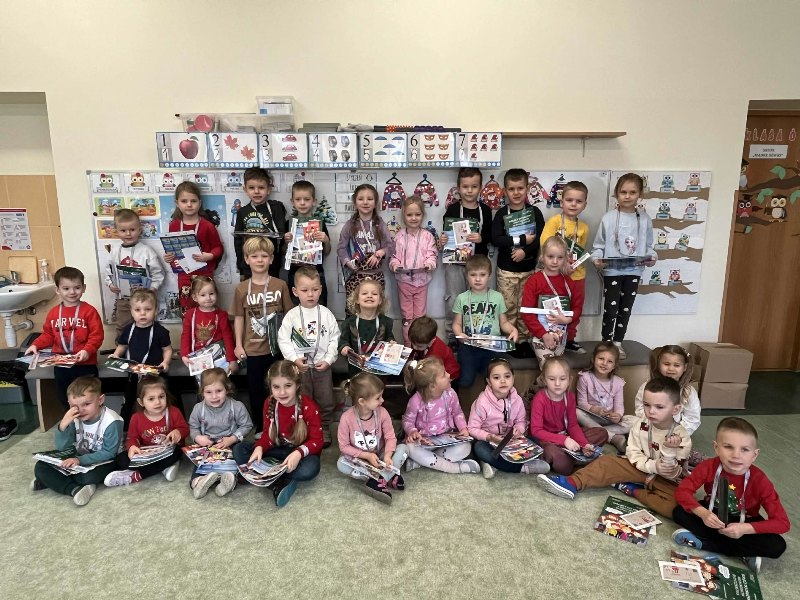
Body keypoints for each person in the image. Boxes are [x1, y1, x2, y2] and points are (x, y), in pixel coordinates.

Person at [536, 376, 691, 518]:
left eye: (659, 407)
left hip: (665, 479)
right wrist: (652, 466)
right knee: (607, 462)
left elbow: (675, 472)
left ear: (675, 409)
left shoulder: (682, 437)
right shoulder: (640, 424)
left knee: (678, 507)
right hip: (641, 467)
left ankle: (634, 490)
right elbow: (633, 452)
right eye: (646, 405)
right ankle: (572, 483)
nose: (651, 411)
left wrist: (667, 455)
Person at [672, 417, 790, 574]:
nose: (736, 455)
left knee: (777, 545)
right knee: (678, 512)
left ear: (754, 455)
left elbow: (782, 523)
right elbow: (682, 491)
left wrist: (746, 528)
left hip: (744, 521)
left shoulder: (760, 480)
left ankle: (705, 544)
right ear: (716, 448)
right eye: (728, 447)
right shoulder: (708, 466)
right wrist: (704, 514)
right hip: (713, 514)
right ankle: (743, 552)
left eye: (745, 450)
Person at [235, 361, 323, 507]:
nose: (282, 393)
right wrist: (260, 447)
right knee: (239, 449)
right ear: (270, 387)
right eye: (276, 387)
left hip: (300, 454)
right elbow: (267, 436)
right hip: (278, 449)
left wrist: (298, 453)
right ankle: (280, 479)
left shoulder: (309, 406)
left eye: (288, 386)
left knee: (310, 469)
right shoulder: (269, 403)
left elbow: (317, 441)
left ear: (297, 385)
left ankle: (264, 475)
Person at [231, 236, 293, 434]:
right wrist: (238, 345)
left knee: (280, 388)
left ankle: (282, 425)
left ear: (271, 259)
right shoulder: (241, 288)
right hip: (253, 350)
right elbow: (239, 318)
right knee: (257, 391)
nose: (259, 260)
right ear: (246, 259)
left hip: (277, 349)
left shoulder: (280, 285)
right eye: (254, 256)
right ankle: (261, 426)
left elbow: (289, 316)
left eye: (264, 256)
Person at [591, 172, 656, 360]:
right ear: (616, 193)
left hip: (634, 270)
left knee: (625, 309)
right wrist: (597, 259)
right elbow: (598, 245)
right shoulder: (609, 218)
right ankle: (606, 343)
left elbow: (649, 246)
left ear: (640, 194)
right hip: (612, 270)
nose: (627, 196)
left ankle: (618, 343)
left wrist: (652, 257)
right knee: (610, 309)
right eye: (623, 192)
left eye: (632, 192)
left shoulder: (645, 219)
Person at [30, 376, 122, 506]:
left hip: (105, 461)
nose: (81, 410)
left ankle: (60, 483)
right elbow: (63, 448)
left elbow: (109, 453)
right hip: (78, 458)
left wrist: (80, 460)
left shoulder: (112, 421)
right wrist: (63, 426)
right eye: (74, 405)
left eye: (86, 404)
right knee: (41, 466)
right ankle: (75, 488)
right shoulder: (74, 418)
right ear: (69, 404)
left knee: (87, 477)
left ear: (100, 400)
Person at [277, 266, 341, 447]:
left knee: (325, 399)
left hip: (322, 367)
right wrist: (294, 360)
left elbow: (334, 338)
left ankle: (324, 427)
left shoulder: (326, 314)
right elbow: (283, 339)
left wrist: (328, 359)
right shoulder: (291, 316)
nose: (310, 294)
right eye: (305, 290)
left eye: (314, 289)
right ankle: (304, 427)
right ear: (295, 291)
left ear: (320, 290)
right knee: (302, 398)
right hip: (300, 368)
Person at [24, 267, 104, 409]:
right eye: (66, 288)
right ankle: (72, 418)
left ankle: (90, 420)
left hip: (85, 364)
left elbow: (96, 335)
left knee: (88, 397)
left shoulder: (89, 311)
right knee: (64, 396)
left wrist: (87, 350)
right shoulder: (53, 313)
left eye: (77, 287)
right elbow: (48, 334)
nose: (72, 292)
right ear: (57, 290)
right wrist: (35, 345)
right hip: (61, 365)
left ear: (84, 288)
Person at [491, 168, 544, 356]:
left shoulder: (534, 212)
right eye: (511, 189)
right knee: (508, 307)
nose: (516, 193)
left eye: (520, 188)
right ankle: (509, 340)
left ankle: (522, 341)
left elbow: (540, 238)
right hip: (507, 271)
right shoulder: (501, 214)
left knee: (526, 307)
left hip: (529, 270)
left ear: (527, 188)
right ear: (505, 191)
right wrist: (520, 240)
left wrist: (525, 251)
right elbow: (496, 239)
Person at [468, 358, 549, 478]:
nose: (503, 381)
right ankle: (522, 467)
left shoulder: (517, 400)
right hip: (489, 442)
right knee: (479, 448)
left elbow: (521, 421)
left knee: (536, 442)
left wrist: (518, 430)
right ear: (489, 381)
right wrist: (489, 437)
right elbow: (472, 428)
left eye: (507, 376)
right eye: (496, 378)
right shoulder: (482, 402)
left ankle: (493, 464)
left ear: (513, 378)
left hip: (511, 442)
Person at [438, 167, 492, 346]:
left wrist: (481, 238)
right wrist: (443, 240)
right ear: (458, 188)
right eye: (465, 186)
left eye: (474, 187)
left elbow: (491, 235)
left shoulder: (486, 210)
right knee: (453, 300)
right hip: (455, 264)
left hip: (478, 265)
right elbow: (446, 236)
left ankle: (476, 335)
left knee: (477, 300)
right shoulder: (453, 209)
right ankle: (453, 338)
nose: (469, 191)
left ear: (480, 188)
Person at [103, 376, 189, 487]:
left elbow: (185, 429)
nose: (158, 402)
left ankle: (138, 475)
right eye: (151, 399)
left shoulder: (173, 412)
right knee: (121, 460)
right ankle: (164, 468)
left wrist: (178, 432)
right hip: (147, 452)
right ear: (141, 402)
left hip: (169, 450)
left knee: (177, 452)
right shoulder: (136, 418)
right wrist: (132, 447)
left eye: (161, 397)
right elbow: (132, 438)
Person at [336, 373, 408, 504]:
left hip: (381, 456)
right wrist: (366, 456)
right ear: (362, 401)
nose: (382, 400)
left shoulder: (383, 413)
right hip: (361, 459)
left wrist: (388, 455)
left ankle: (377, 481)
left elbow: (390, 437)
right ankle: (387, 477)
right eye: (378, 398)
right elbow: (344, 447)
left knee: (404, 448)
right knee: (341, 464)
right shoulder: (346, 418)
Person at [530, 357, 607, 475]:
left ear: (569, 380)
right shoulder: (539, 399)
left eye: (562, 379)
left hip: (567, 436)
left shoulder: (570, 397)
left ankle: (575, 454)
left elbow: (572, 425)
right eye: (552, 379)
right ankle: (572, 458)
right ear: (544, 380)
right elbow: (536, 431)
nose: (557, 384)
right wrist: (564, 440)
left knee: (602, 433)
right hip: (547, 441)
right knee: (561, 463)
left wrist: (584, 444)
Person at [402, 357, 479, 474]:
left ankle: (422, 461)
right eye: (443, 374)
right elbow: (407, 421)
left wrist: (463, 428)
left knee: (466, 446)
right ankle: (454, 468)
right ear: (432, 386)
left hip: (446, 439)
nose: (448, 375)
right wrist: (412, 432)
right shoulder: (415, 401)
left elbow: (457, 413)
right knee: (409, 448)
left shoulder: (451, 394)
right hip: (424, 442)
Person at [452, 254, 518, 389]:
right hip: (469, 345)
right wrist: (459, 334)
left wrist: (513, 330)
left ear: (489, 276)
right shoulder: (462, 298)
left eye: (482, 275)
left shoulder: (497, 297)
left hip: (491, 345)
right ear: (467, 276)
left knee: (494, 378)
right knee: (465, 381)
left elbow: (503, 323)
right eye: (473, 275)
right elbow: (456, 324)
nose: (477, 279)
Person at [109, 288, 172, 427]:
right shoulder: (128, 329)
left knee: (159, 402)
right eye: (137, 310)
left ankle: (162, 426)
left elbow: (167, 350)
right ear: (131, 312)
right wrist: (116, 355)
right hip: (134, 375)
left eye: (148, 309)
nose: (142, 313)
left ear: (155, 310)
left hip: (154, 376)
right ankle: (125, 429)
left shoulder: (160, 331)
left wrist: (165, 362)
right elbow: (122, 346)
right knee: (129, 401)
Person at [187, 368, 253, 499]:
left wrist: (232, 439)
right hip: (209, 445)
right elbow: (193, 427)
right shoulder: (198, 408)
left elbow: (247, 425)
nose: (214, 396)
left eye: (219, 391)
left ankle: (228, 481)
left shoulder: (236, 406)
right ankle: (198, 483)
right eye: (208, 392)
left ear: (227, 389)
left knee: (238, 455)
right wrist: (198, 438)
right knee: (200, 464)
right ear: (202, 392)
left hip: (230, 443)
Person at [540, 180, 590, 354]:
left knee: (575, 308)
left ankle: (570, 339)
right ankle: (553, 336)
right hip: (557, 274)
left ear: (584, 205)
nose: (573, 204)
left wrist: (572, 265)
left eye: (578, 201)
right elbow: (545, 244)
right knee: (557, 307)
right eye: (569, 200)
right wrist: (561, 265)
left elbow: (580, 252)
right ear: (561, 202)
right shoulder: (554, 222)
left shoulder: (583, 228)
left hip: (576, 275)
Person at [164, 181, 224, 313]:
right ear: (177, 203)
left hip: (204, 275)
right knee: (186, 309)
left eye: (193, 201)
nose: (189, 204)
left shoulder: (208, 226)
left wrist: (210, 256)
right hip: (184, 275)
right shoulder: (174, 225)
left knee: (207, 307)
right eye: (184, 201)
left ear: (200, 203)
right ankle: (188, 327)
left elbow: (218, 248)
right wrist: (169, 257)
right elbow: (172, 250)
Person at [104, 208, 165, 336]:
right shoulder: (114, 251)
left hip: (144, 299)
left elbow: (158, 273)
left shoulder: (146, 251)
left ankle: (147, 347)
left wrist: (153, 288)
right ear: (116, 231)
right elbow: (109, 271)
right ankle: (122, 348)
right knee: (123, 327)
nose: (128, 234)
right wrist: (110, 284)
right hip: (123, 300)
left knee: (146, 327)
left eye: (132, 229)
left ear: (139, 229)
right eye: (123, 230)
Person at [520, 236, 574, 369]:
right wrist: (543, 334)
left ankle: (537, 384)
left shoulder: (568, 282)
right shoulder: (534, 281)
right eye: (550, 256)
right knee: (549, 368)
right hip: (540, 336)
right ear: (542, 256)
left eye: (560, 257)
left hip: (560, 336)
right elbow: (526, 313)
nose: (555, 261)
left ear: (565, 259)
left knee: (557, 370)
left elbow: (576, 308)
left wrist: (568, 320)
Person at [390, 195, 438, 344]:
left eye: (417, 214)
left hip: (422, 282)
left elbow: (432, 254)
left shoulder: (427, 236)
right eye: (409, 214)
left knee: (420, 317)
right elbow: (394, 257)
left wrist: (430, 264)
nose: (413, 218)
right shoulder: (399, 236)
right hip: (404, 282)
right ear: (404, 215)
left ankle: (420, 345)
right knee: (407, 317)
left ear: (422, 215)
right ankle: (408, 345)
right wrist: (395, 265)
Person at [336, 183, 393, 298]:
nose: (365, 202)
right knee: (353, 306)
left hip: (376, 275)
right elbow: (341, 248)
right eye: (361, 199)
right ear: (355, 203)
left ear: (375, 203)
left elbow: (390, 246)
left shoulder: (380, 224)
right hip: (355, 275)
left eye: (370, 199)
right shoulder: (350, 225)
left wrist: (381, 252)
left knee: (375, 305)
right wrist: (347, 262)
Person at [634, 345, 701, 435]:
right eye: (666, 364)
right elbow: (640, 408)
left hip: (676, 433)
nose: (671, 369)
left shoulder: (688, 392)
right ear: (659, 365)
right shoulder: (648, 386)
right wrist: (651, 424)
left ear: (684, 367)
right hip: (649, 429)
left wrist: (677, 433)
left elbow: (693, 418)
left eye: (676, 365)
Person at [283, 180, 331, 305]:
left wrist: (326, 240)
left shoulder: (319, 224)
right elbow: (283, 252)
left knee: (320, 306)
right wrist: (286, 242)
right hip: (295, 272)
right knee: (295, 307)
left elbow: (327, 252)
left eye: (307, 199)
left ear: (314, 201)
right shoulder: (288, 224)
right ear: (292, 201)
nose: (302, 203)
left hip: (316, 272)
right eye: (298, 199)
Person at [576, 341, 629, 453]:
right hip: (592, 417)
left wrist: (618, 415)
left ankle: (597, 431)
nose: (604, 363)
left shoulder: (618, 382)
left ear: (614, 365)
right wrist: (595, 409)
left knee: (635, 421)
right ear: (593, 359)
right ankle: (613, 437)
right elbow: (581, 403)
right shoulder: (585, 378)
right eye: (601, 359)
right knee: (576, 412)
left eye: (610, 361)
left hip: (610, 420)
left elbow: (619, 406)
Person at [234, 167, 287, 279]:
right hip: (249, 266)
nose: (256, 191)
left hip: (271, 264)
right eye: (251, 188)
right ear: (245, 189)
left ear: (269, 189)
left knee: (272, 290)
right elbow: (238, 241)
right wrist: (241, 268)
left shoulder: (276, 208)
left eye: (261, 187)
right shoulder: (242, 212)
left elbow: (281, 236)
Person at [338, 277, 394, 377]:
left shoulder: (385, 322)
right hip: (356, 368)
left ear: (380, 300)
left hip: (378, 369)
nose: (369, 296)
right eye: (364, 293)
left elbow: (389, 337)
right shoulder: (349, 323)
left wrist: (392, 342)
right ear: (357, 299)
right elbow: (343, 342)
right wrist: (345, 348)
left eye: (374, 294)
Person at [180, 276, 237, 374]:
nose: (208, 298)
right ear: (194, 297)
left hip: (218, 358)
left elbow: (228, 338)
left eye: (211, 293)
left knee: (217, 381)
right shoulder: (190, 315)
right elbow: (185, 336)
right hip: (197, 358)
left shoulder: (221, 315)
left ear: (216, 294)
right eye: (203, 295)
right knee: (203, 382)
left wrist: (232, 359)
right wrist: (184, 355)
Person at [407, 316, 460, 382]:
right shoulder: (420, 341)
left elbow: (430, 373)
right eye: (412, 343)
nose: (414, 347)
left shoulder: (436, 352)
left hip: (449, 376)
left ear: (431, 342)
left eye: (419, 346)